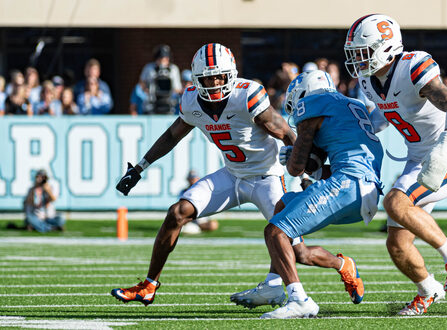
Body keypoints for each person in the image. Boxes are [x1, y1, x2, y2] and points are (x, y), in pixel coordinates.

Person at [111, 43, 360, 308]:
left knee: (298, 251)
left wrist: (306, 172)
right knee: (177, 212)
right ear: (197, 78)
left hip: (269, 177)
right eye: (208, 76)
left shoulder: (247, 97)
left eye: (220, 75)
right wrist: (140, 167)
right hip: (233, 175)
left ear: (231, 73)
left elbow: (286, 133)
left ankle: (341, 264)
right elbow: (173, 135)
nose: (215, 82)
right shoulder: (192, 99)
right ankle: (149, 285)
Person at [344, 14, 447, 315]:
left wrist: (446, 144)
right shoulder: (369, 81)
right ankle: (428, 290)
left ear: (386, 46)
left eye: (363, 52)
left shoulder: (412, 67)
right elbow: (382, 117)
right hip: (418, 160)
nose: (358, 60)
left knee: (395, 202)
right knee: (397, 244)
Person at [260, 70, 384, 319]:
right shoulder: (351, 104)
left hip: (350, 184)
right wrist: (304, 160)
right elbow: (317, 168)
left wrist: (291, 154)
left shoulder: (313, 103)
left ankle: (299, 300)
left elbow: (296, 169)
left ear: (303, 94)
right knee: (284, 208)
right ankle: (280, 282)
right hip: (366, 188)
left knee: (275, 231)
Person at [139, 44, 182, 114]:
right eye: (160, 59)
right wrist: (146, 90)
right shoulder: (149, 68)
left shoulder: (174, 69)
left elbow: (177, 89)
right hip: (152, 104)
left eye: (165, 59)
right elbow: (141, 82)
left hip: (169, 105)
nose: (163, 61)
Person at [177, 170, 219, 234]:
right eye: (191, 178)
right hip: (189, 217)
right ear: (188, 179)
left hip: (200, 218)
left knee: (213, 224)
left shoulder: (203, 190)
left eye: (194, 178)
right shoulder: (184, 191)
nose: (193, 180)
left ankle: (195, 228)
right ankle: (193, 227)